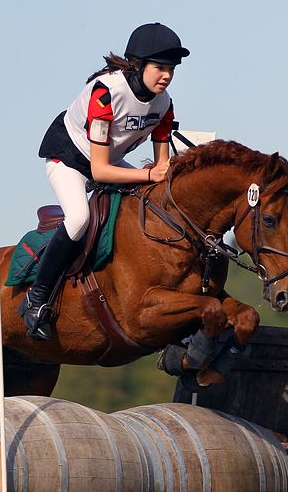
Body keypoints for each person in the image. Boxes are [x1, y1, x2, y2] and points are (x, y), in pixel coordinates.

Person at [20, 22, 190, 340]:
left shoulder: (164, 104)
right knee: (80, 218)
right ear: (137, 65)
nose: (166, 76)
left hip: (108, 160)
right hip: (70, 159)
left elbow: (162, 166)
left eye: (171, 69)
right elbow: (99, 172)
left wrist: (163, 177)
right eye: (160, 68)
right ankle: (36, 299)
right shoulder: (105, 93)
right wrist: (150, 174)